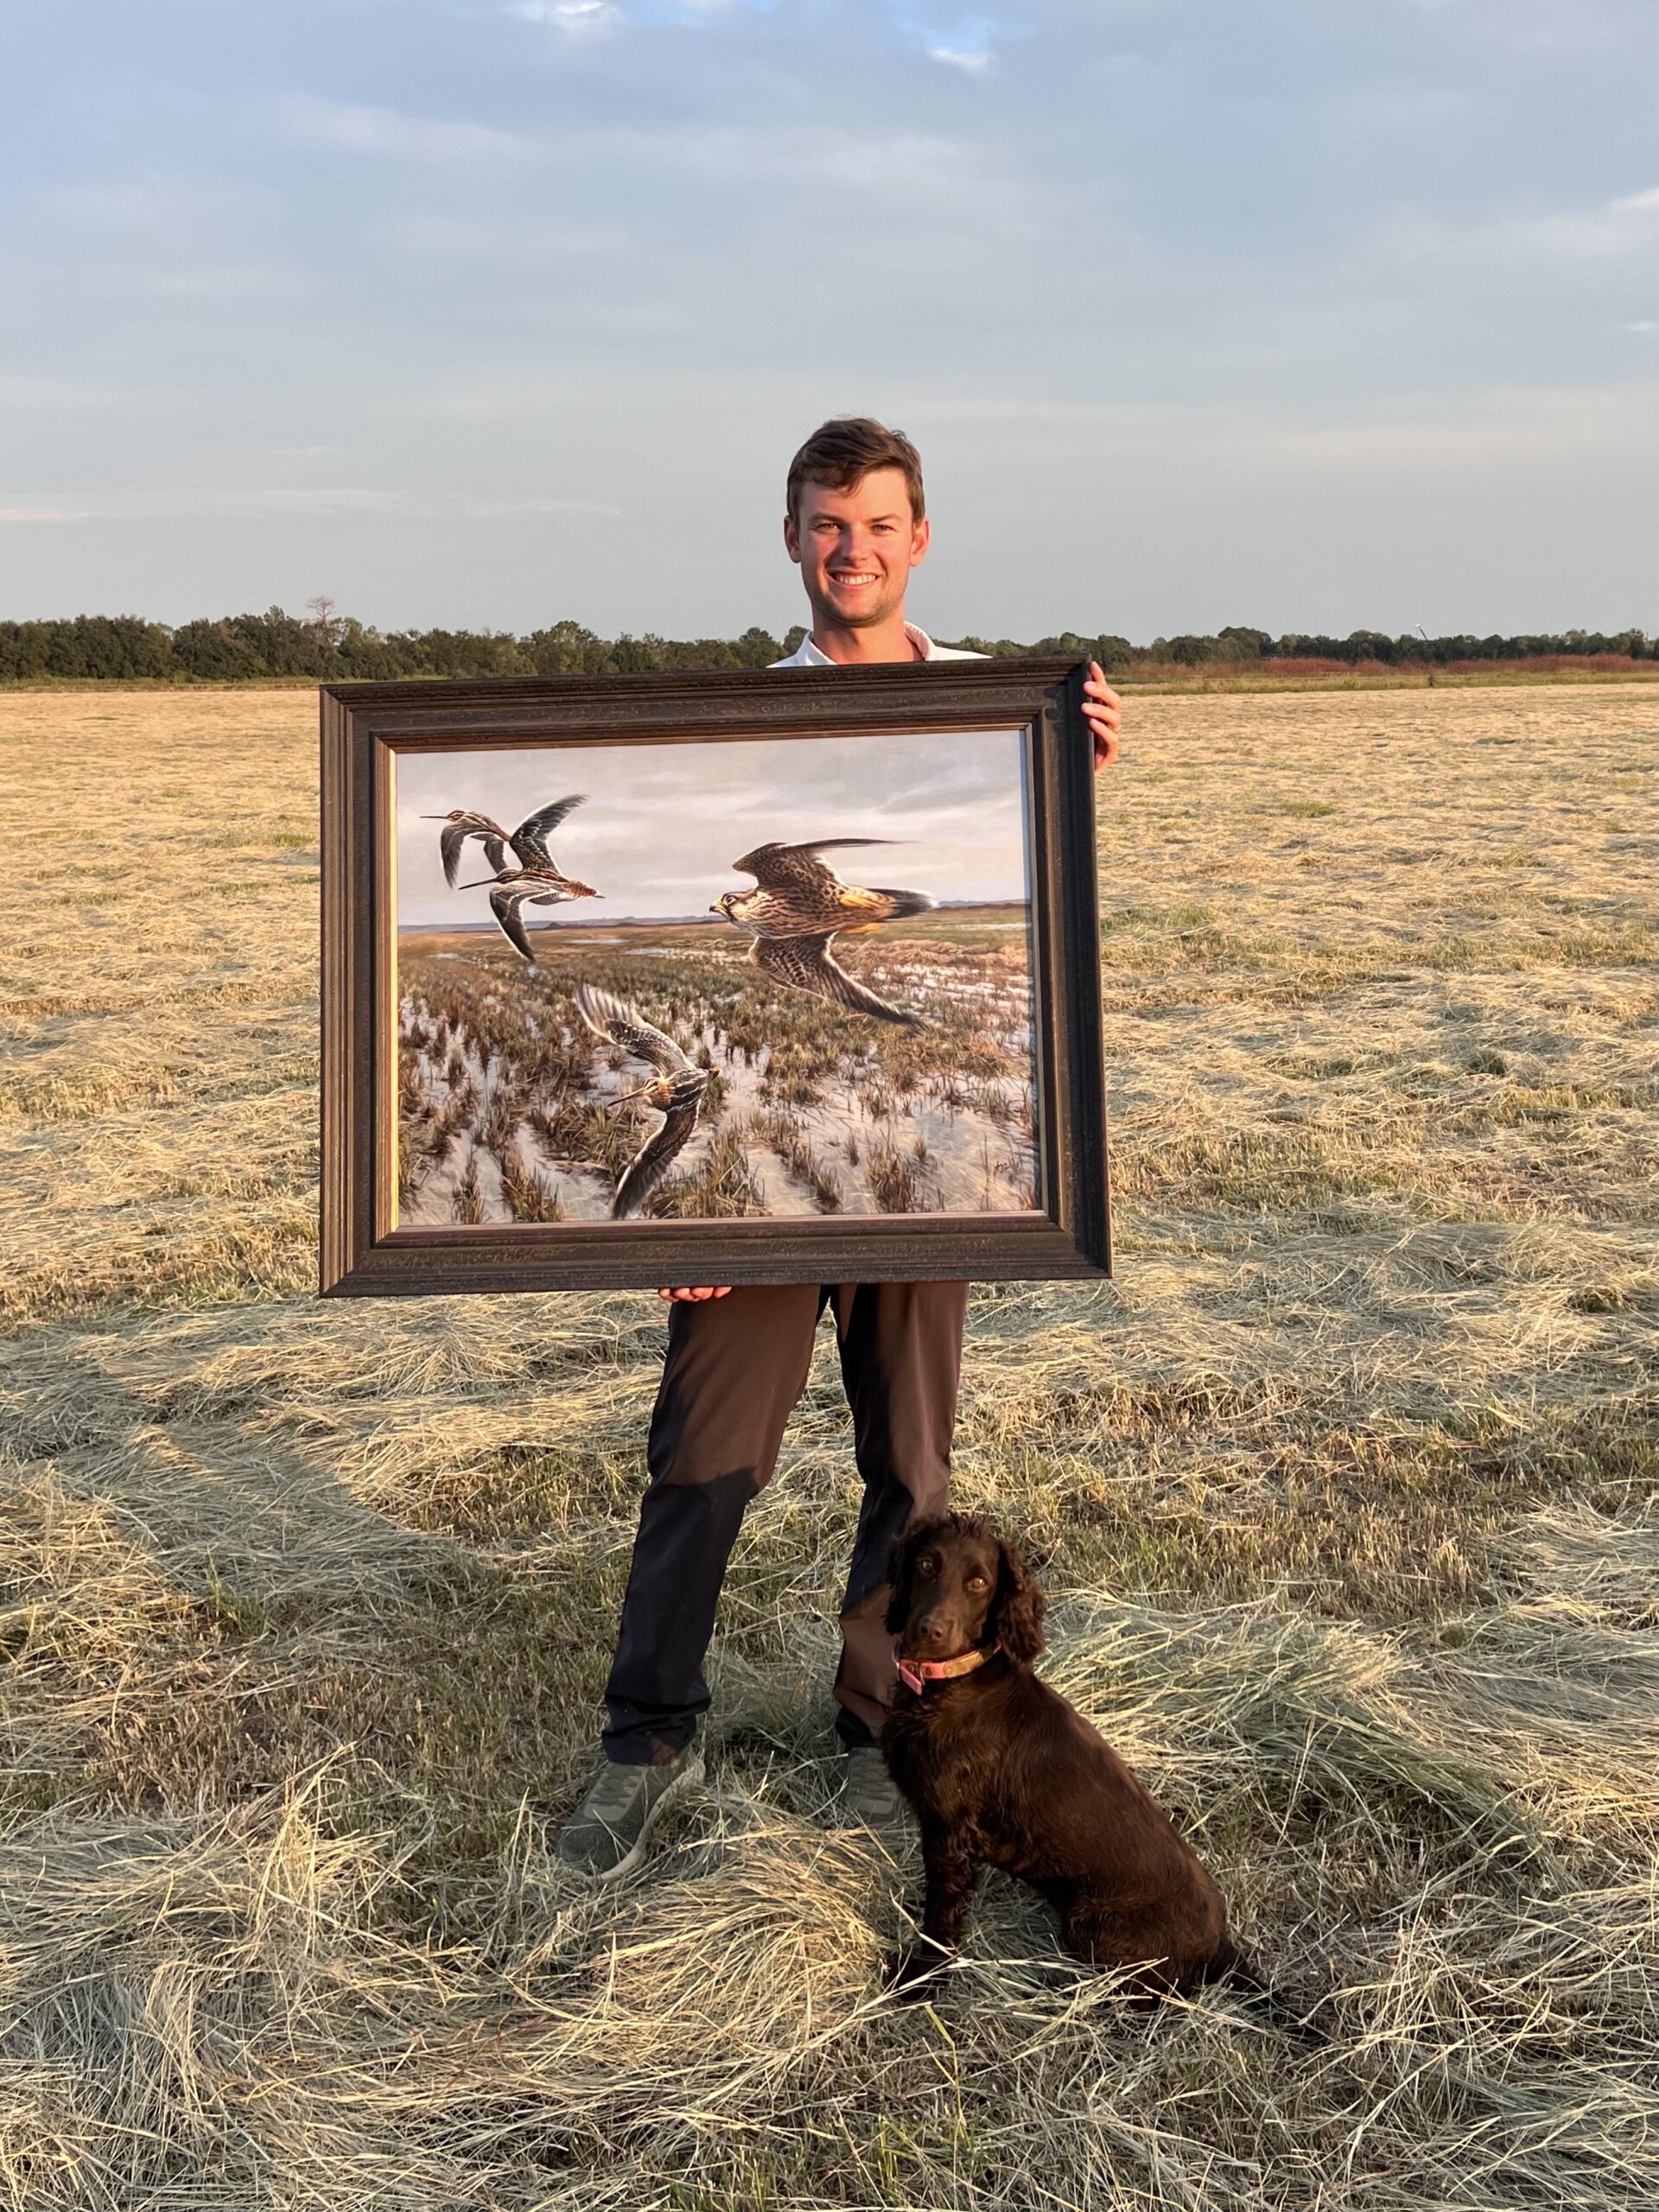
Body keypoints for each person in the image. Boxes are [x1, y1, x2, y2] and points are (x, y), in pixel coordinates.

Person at [555, 417, 1122, 1878]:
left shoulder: (996, 710)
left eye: (876, 524)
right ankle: (644, 1742)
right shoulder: (747, 726)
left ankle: (889, 1714)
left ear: (918, 538)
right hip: (760, 1181)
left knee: (914, 1473)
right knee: (708, 1453)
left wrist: (1066, 777)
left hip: (933, 1171)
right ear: (792, 538)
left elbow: (1028, 875)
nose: (850, 549)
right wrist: (676, 1223)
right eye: (825, 524)